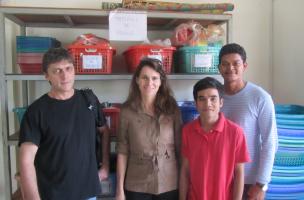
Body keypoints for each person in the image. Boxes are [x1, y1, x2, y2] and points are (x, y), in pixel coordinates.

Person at [18, 47, 110, 200]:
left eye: (68, 68)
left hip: (88, 191)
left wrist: (105, 166)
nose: (65, 75)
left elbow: (104, 131)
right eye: (57, 71)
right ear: (46, 76)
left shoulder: (89, 100)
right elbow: (26, 161)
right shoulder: (36, 111)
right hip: (53, 193)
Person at [115, 57, 182, 200]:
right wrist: (119, 190)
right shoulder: (126, 111)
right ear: (137, 80)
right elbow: (122, 151)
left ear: (161, 82)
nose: (149, 83)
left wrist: (184, 184)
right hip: (137, 184)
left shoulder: (172, 108)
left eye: (154, 78)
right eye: (145, 78)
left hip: (169, 182)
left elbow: (180, 148)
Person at [218, 43, 278, 200]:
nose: (230, 68)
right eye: (225, 64)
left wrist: (261, 184)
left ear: (244, 66)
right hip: (219, 177)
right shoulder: (214, 96)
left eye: (235, 63)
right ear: (219, 68)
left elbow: (270, 142)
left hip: (249, 181)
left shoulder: (260, 97)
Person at [179, 77, 250, 200]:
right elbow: (185, 170)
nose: (208, 104)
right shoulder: (187, 131)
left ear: (221, 102)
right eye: (202, 99)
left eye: (213, 98)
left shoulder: (236, 132)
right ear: (195, 103)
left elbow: (239, 173)